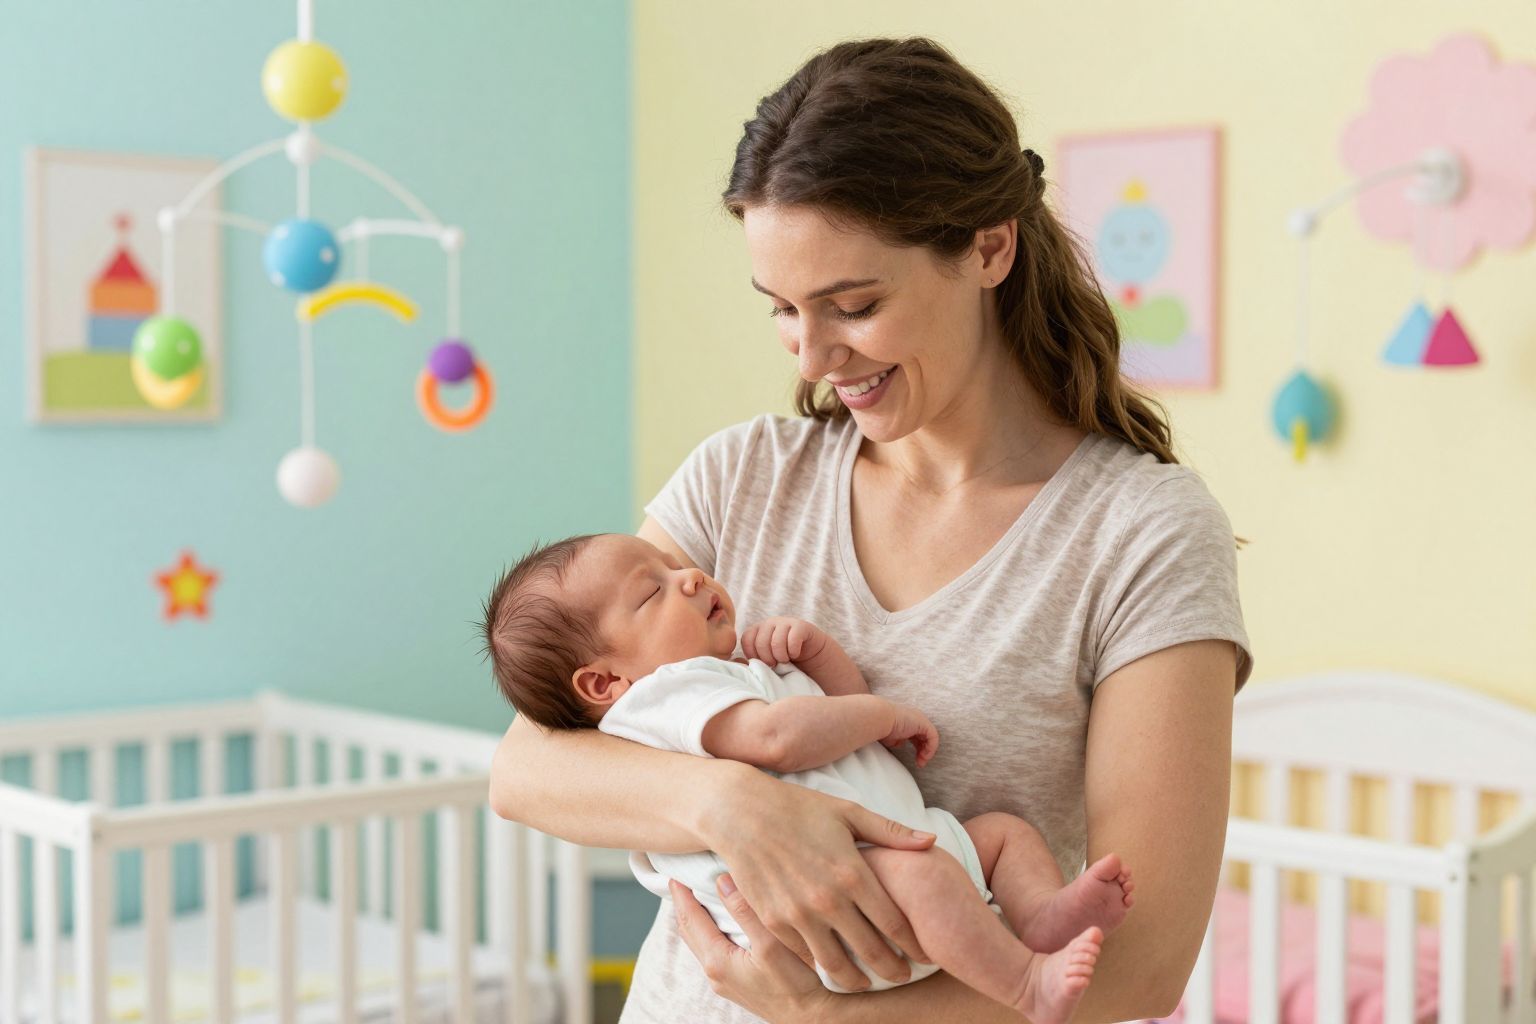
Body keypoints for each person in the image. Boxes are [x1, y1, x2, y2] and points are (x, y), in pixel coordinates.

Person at [490, 35, 1253, 1023]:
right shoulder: (743, 478)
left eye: (852, 305)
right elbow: (526, 764)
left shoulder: (1139, 534)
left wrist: (822, 1015)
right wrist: (737, 805)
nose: (811, 358)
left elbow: (1143, 966)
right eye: (782, 311)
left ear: (988, 245)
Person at [480, 531, 1135, 1021]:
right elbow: (778, 740)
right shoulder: (661, 702)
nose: (687, 578)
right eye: (652, 590)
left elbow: (823, 714)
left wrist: (819, 657)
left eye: (676, 566)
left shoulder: (730, 674)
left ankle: (1042, 914)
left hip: (893, 854)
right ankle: (1027, 985)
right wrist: (880, 714)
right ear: (604, 682)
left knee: (1002, 835)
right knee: (932, 873)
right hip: (837, 919)